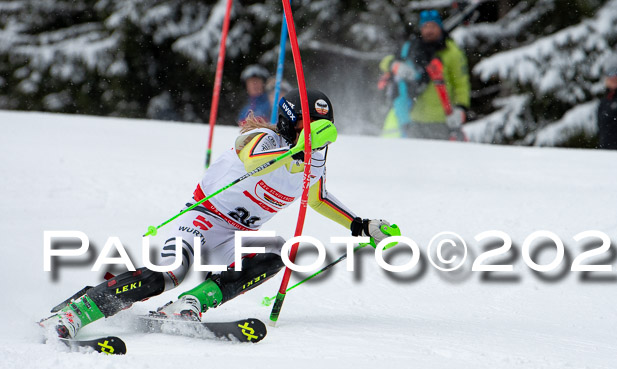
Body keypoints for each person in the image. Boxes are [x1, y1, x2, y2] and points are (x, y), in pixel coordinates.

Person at [41, 89, 398, 339]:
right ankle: (81, 310)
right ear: (293, 123)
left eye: (325, 130)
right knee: (170, 274)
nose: (320, 139)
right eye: (312, 128)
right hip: (202, 219)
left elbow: (317, 197)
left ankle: (190, 304)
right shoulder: (263, 138)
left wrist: (360, 223)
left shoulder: (314, 158)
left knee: (276, 254)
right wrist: (297, 148)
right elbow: (251, 160)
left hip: (235, 236)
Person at [379, 9, 471, 139]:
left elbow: (461, 84)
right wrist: (394, 65)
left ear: (440, 27)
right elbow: (385, 62)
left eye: (433, 26)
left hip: (442, 121)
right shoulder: (411, 48)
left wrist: (461, 108)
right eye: (426, 26)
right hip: (414, 119)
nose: (429, 30)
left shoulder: (451, 52)